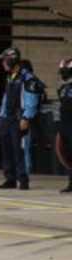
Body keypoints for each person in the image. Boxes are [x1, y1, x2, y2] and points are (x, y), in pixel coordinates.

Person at [0, 47, 40, 190]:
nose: (3, 63)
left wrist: (26, 117)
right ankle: (10, 179)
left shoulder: (27, 77)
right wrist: (1, 116)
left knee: (19, 150)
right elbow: (6, 98)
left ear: (11, 60)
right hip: (6, 119)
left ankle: (23, 179)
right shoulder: (10, 76)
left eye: (4, 60)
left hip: (18, 119)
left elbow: (31, 99)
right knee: (7, 150)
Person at [57, 58, 72, 193]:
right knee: (67, 154)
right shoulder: (63, 88)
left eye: (65, 71)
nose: (63, 74)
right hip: (65, 124)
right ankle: (71, 182)